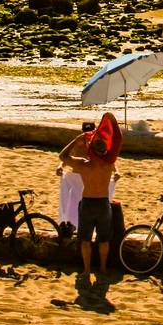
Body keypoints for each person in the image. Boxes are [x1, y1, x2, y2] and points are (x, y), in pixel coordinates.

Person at [60, 112, 121, 275]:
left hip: (88, 202)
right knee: (103, 239)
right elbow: (116, 141)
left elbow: (63, 156)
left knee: (85, 240)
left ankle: (87, 270)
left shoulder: (83, 165)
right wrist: (111, 121)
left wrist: (77, 139)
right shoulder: (108, 165)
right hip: (103, 203)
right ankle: (102, 267)